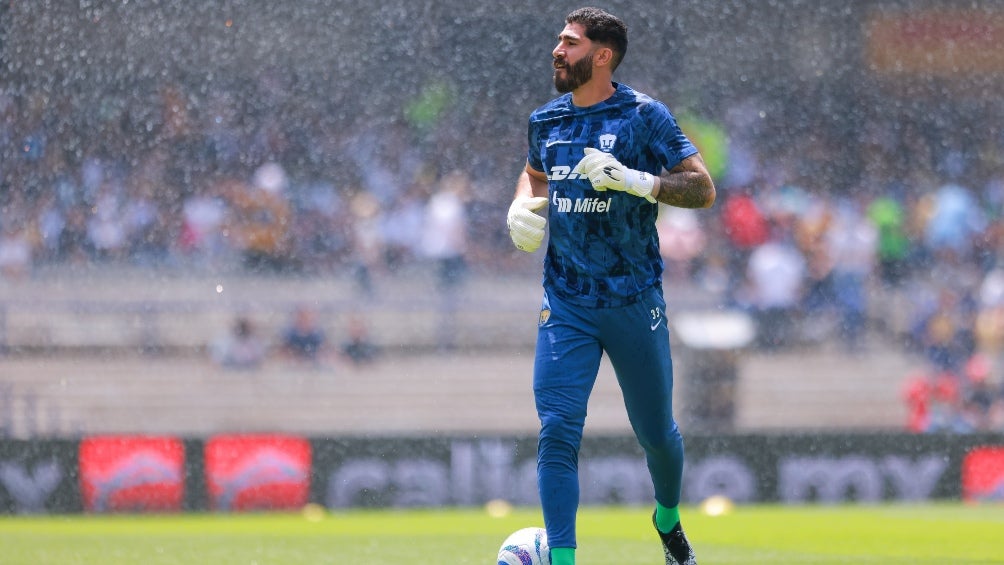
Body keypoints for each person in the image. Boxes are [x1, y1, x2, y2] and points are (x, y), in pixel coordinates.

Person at [505, 8, 715, 565]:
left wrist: (638, 181)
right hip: (567, 303)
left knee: (657, 436)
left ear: (602, 56)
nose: (557, 49)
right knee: (557, 431)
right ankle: (564, 560)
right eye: (559, 39)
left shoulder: (645, 116)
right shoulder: (544, 120)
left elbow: (702, 189)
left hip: (634, 301)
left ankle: (667, 521)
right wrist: (520, 204)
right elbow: (534, 172)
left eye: (569, 43)